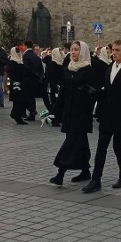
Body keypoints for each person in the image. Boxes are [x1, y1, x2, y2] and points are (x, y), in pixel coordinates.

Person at [83, 40, 121, 193]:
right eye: (113, 50)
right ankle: (96, 180)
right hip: (107, 115)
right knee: (101, 148)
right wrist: (96, 92)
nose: (114, 53)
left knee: (119, 148)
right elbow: (107, 90)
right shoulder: (109, 68)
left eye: (118, 50)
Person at [49, 41, 95, 186]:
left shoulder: (88, 70)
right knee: (79, 143)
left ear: (82, 52)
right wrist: (54, 112)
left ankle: (60, 173)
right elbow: (62, 93)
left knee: (70, 144)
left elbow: (92, 94)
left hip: (81, 114)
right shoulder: (68, 69)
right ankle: (85, 171)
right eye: (72, 50)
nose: (73, 52)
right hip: (69, 113)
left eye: (76, 50)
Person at [7, 47, 28, 125]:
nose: (19, 53)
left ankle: (15, 114)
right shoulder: (13, 62)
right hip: (16, 84)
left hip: (21, 83)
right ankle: (17, 116)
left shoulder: (20, 60)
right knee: (18, 100)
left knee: (20, 100)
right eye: (17, 51)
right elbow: (13, 74)